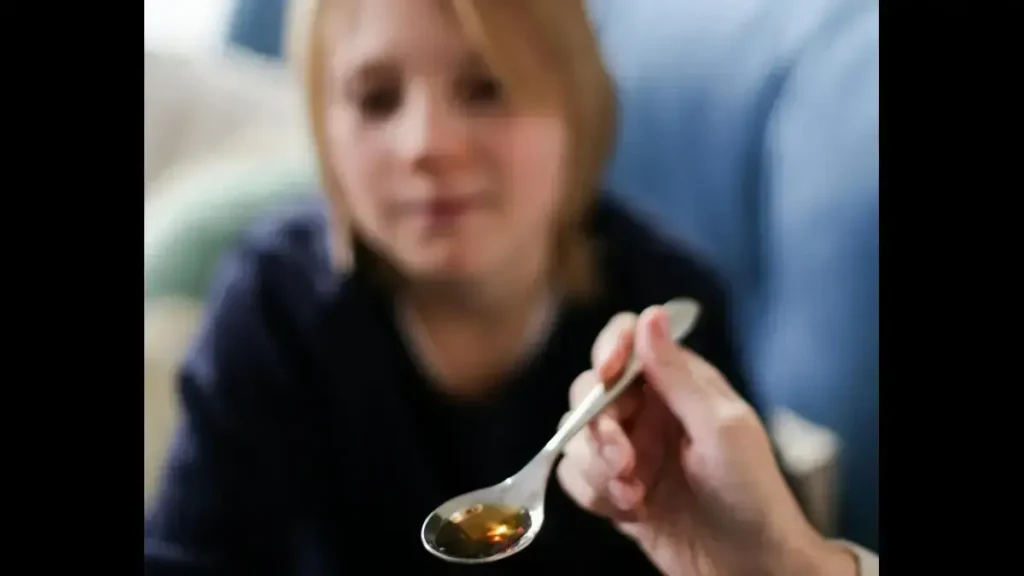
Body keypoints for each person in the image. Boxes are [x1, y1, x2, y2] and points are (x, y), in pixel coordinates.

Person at [144, 0, 879, 574]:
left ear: (578, 111)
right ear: (324, 138)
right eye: (376, 99)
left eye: (486, 88)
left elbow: (765, 539)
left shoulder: (668, 299)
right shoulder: (272, 306)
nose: (427, 144)